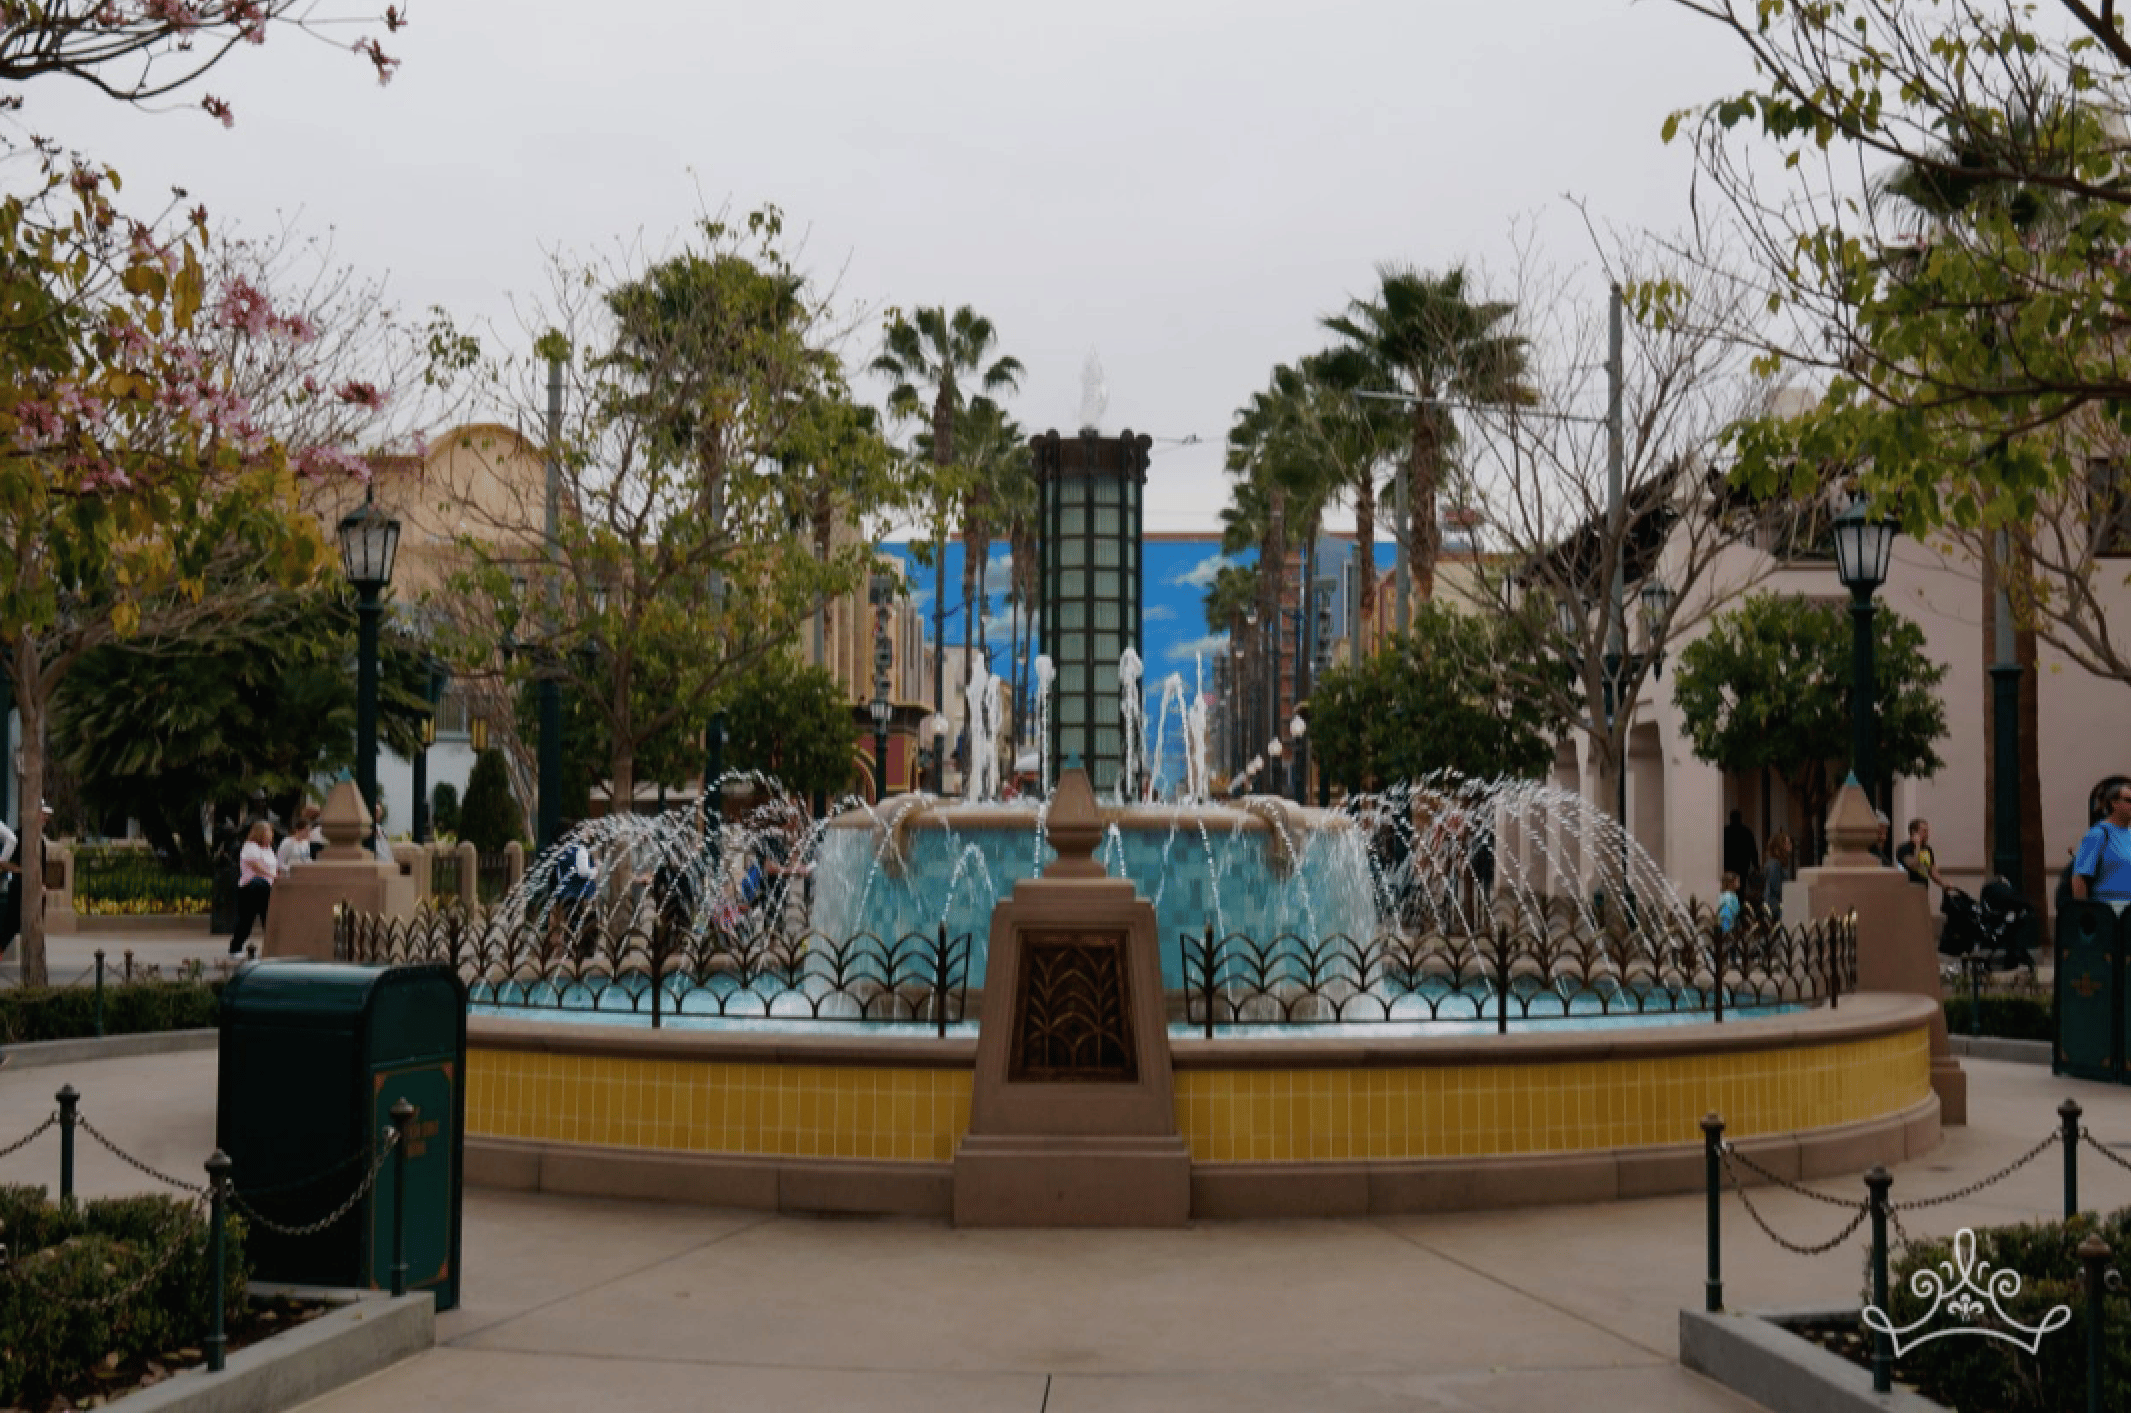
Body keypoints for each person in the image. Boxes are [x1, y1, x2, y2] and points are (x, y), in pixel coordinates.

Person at [2071, 782, 2131, 908]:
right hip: (2107, 908)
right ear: (2114, 803)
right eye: (2128, 800)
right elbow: (2079, 878)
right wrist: (2084, 913)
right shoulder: (2098, 834)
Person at [229, 820, 278, 956]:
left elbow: (273, 866)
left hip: (267, 886)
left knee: (268, 918)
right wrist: (272, 875)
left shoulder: (268, 849)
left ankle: (272, 947)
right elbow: (256, 866)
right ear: (260, 833)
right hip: (252, 888)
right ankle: (235, 948)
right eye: (269, 832)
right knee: (247, 919)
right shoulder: (251, 847)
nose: (271, 835)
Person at [1894, 818, 1944, 890]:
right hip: (1908, 889)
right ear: (1914, 833)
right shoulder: (1904, 848)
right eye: (1924, 831)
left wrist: (1943, 884)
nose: (1927, 835)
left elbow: (1932, 871)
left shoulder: (1927, 849)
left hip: (1923, 888)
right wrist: (1917, 847)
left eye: (1927, 831)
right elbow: (1914, 865)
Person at [1762, 832, 1793, 924]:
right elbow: (1776, 887)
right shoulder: (1774, 864)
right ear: (1782, 846)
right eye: (1788, 843)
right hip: (1774, 904)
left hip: (1777, 902)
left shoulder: (1778, 863)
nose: (1790, 845)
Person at [1722, 809, 1758, 888]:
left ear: (1730, 818)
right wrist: (1756, 865)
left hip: (1729, 864)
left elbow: (1721, 849)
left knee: (1729, 886)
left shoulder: (1725, 831)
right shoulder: (1746, 831)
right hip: (1742, 865)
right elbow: (1753, 850)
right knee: (1740, 887)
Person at [276, 807, 319, 873]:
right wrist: (290, 869)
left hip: (303, 873)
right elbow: (279, 862)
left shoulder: (305, 843)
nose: (308, 833)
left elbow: (307, 859)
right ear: (298, 830)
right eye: (306, 830)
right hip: (290, 873)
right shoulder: (287, 842)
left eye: (309, 831)